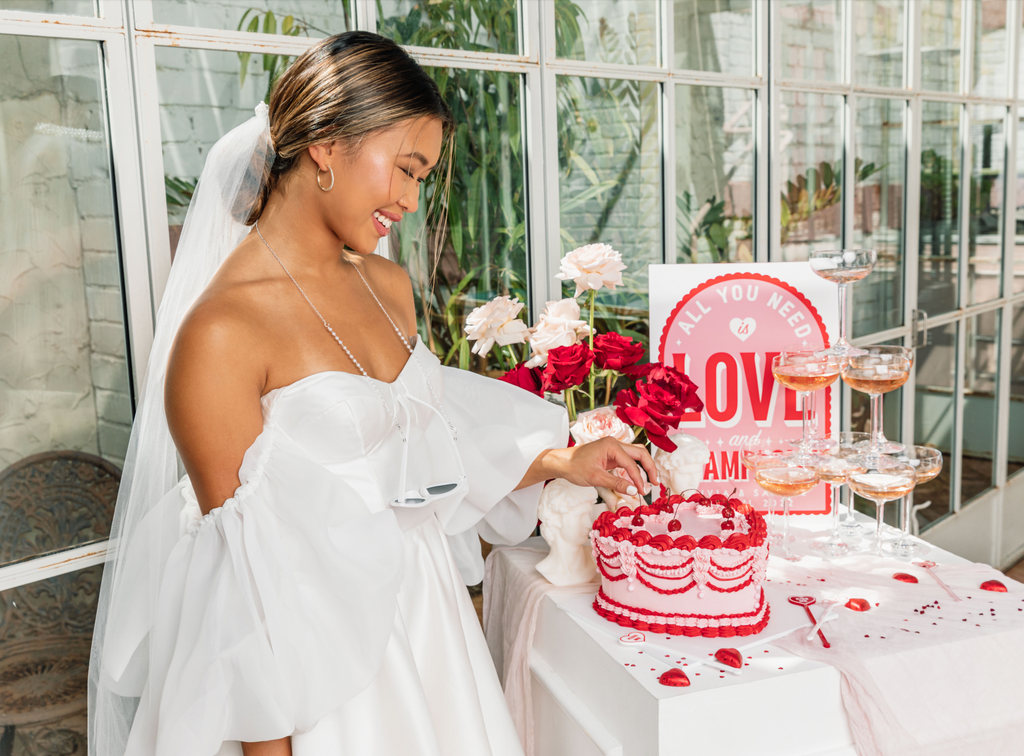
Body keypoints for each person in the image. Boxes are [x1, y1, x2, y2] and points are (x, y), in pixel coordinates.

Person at [88, 32, 657, 756]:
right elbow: (241, 593)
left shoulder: (389, 288)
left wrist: (560, 462)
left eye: (422, 178)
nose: (411, 201)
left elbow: (420, 449)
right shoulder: (221, 334)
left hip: (434, 640)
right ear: (327, 142)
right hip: (323, 685)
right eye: (407, 169)